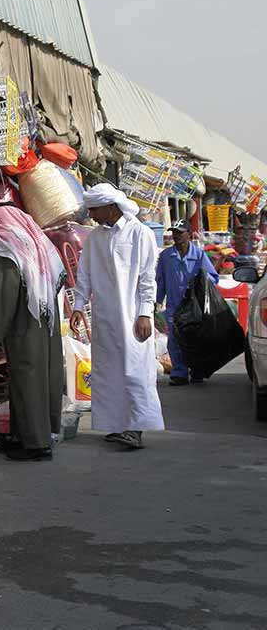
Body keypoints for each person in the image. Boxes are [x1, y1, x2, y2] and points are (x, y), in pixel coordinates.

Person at [71, 184, 163, 450]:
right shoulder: (95, 238)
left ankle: (135, 428)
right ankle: (116, 425)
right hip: (105, 317)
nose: (92, 215)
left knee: (134, 370)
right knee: (108, 372)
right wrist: (78, 305)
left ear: (110, 206)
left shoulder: (140, 234)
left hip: (132, 315)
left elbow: (147, 278)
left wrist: (145, 313)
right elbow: (84, 275)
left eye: (95, 209)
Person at [0, 203, 67, 461]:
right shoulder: (40, 244)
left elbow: (6, 294)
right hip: (46, 323)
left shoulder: (11, 250)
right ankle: (27, 436)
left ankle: (36, 444)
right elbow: (59, 280)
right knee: (42, 380)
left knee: (27, 382)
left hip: (24, 324)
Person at [156, 220, 219, 385]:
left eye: (180, 232)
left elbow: (213, 278)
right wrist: (156, 301)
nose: (176, 236)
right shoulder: (166, 256)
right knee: (174, 341)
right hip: (174, 306)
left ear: (189, 235)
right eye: (174, 232)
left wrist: (201, 280)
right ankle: (179, 373)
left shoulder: (198, 255)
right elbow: (160, 280)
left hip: (194, 307)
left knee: (195, 340)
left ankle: (197, 371)